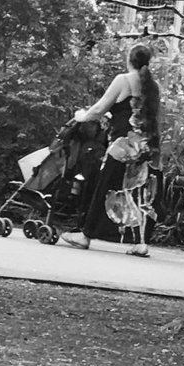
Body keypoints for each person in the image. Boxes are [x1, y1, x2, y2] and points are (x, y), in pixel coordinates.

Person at [60, 43, 161, 257]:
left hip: (123, 145)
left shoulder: (123, 80)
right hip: (148, 147)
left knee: (104, 186)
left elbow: (99, 108)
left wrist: (82, 117)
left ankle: (86, 234)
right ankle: (141, 242)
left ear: (129, 59)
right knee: (141, 193)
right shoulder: (154, 87)